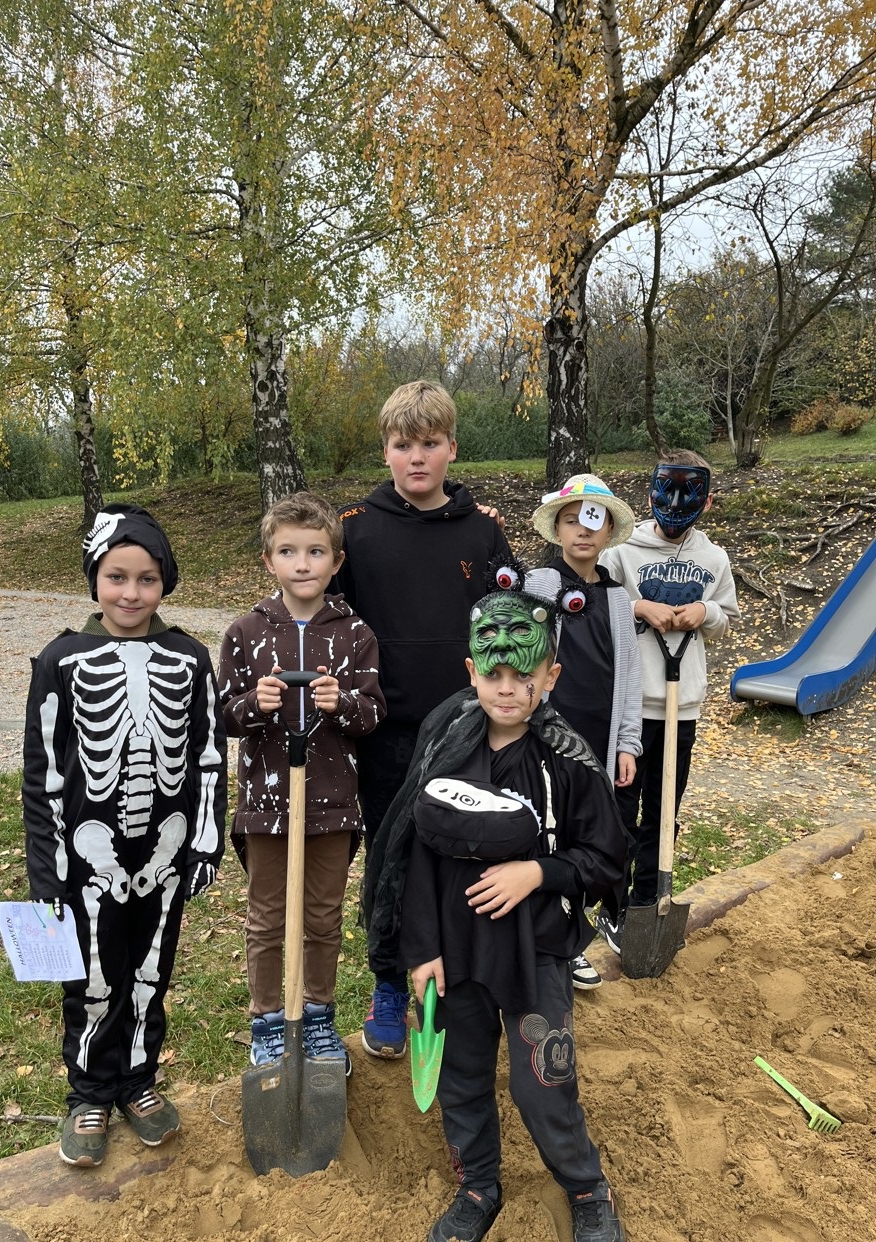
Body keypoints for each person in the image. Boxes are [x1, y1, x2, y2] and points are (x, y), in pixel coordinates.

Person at [368, 571, 628, 1242]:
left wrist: (537, 873)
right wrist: (420, 949)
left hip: (535, 950)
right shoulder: (444, 744)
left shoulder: (567, 761)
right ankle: (478, 1185)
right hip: (455, 951)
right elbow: (413, 856)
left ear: (551, 676)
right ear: (471, 671)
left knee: (543, 1081)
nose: (507, 688)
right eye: (493, 674)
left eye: (524, 676)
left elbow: (606, 856)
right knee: (462, 1077)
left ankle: (585, 1187)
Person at [23, 503, 227, 1169]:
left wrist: (204, 839)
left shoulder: (190, 658)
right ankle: (88, 1092)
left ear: (165, 582)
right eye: (116, 577)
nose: (131, 593)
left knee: (149, 970)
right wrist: (47, 871)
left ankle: (138, 1079)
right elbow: (44, 775)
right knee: (89, 976)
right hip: (87, 854)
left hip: (164, 847)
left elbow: (208, 756)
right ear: (94, 579)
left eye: (146, 579)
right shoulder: (61, 660)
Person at [333, 379, 512, 1059]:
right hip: (384, 733)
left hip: (467, 730)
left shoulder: (483, 531)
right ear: (385, 451)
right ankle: (388, 981)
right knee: (390, 861)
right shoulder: (354, 531)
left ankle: (453, 981)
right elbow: (321, 614)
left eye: (430, 444)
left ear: (452, 449)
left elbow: (509, 622)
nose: (417, 457)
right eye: (403, 445)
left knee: (459, 856)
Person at [218, 492, 385, 1074]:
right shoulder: (245, 632)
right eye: (288, 551)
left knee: (322, 916)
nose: (303, 563)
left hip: (333, 802)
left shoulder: (355, 634)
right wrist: (254, 703)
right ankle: (267, 1020)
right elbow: (223, 716)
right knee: (267, 916)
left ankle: (317, 1016)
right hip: (266, 803)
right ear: (269, 560)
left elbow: (373, 715)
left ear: (336, 561)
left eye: (316, 551)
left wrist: (343, 703)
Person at [596, 449, 740, 951]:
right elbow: (596, 605)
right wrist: (638, 605)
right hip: (629, 709)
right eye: (667, 490)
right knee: (619, 810)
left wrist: (705, 611)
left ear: (707, 501)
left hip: (683, 709)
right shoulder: (621, 553)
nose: (676, 504)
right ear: (651, 491)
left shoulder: (713, 559)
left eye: (691, 493)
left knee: (663, 811)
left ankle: (646, 900)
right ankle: (611, 905)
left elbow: (725, 618)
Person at [526, 473, 641, 991]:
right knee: (549, 833)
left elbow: (630, 674)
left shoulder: (617, 598)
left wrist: (627, 743)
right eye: (571, 521)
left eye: (593, 522)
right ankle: (552, 942)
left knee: (588, 837)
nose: (582, 531)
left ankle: (578, 931)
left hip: (599, 739)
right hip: (549, 738)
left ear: (608, 531)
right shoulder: (540, 585)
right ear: (558, 530)